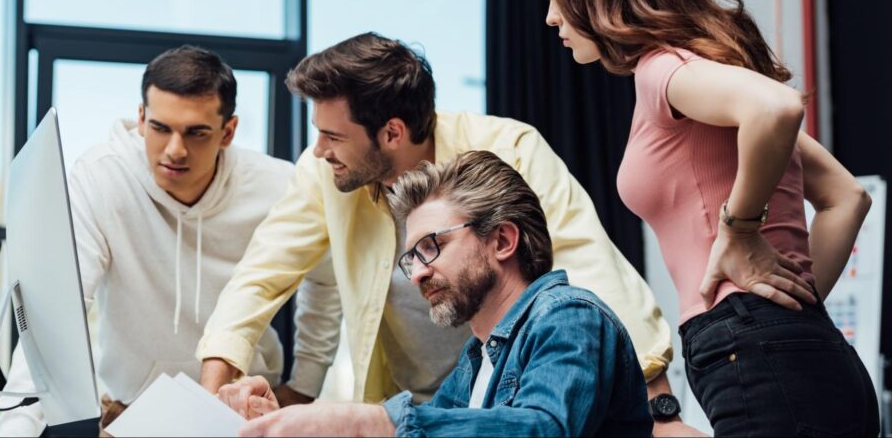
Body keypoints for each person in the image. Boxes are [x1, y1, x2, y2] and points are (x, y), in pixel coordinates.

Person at [198, 32, 681, 432]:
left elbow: (589, 265)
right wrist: (210, 405)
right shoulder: (324, 171)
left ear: (391, 132)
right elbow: (261, 275)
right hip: (436, 401)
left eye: (333, 136)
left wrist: (658, 410)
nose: (319, 150)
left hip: (501, 396)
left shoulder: (509, 150)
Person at [528, 0, 878, 436]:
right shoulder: (698, 79)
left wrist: (738, 235)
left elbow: (777, 107)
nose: (550, 17)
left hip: (755, 353)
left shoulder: (661, 70)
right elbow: (846, 197)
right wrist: (787, 307)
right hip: (801, 353)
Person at [219, 151, 653, 437]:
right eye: (411, 258)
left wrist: (366, 421)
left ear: (502, 240)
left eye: (432, 247)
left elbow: (544, 429)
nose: (417, 274)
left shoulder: (568, 317)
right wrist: (282, 422)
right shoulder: (474, 361)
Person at [0, 46, 295, 435]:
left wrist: (305, 384)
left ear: (229, 132)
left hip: (240, 415)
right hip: (130, 412)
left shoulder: (277, 184)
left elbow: (326, 282)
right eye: (160, 128)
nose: (175, 149)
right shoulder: (101, 178)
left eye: (196, 132)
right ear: (140, 119)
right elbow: (57, 311)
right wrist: (16, 427)